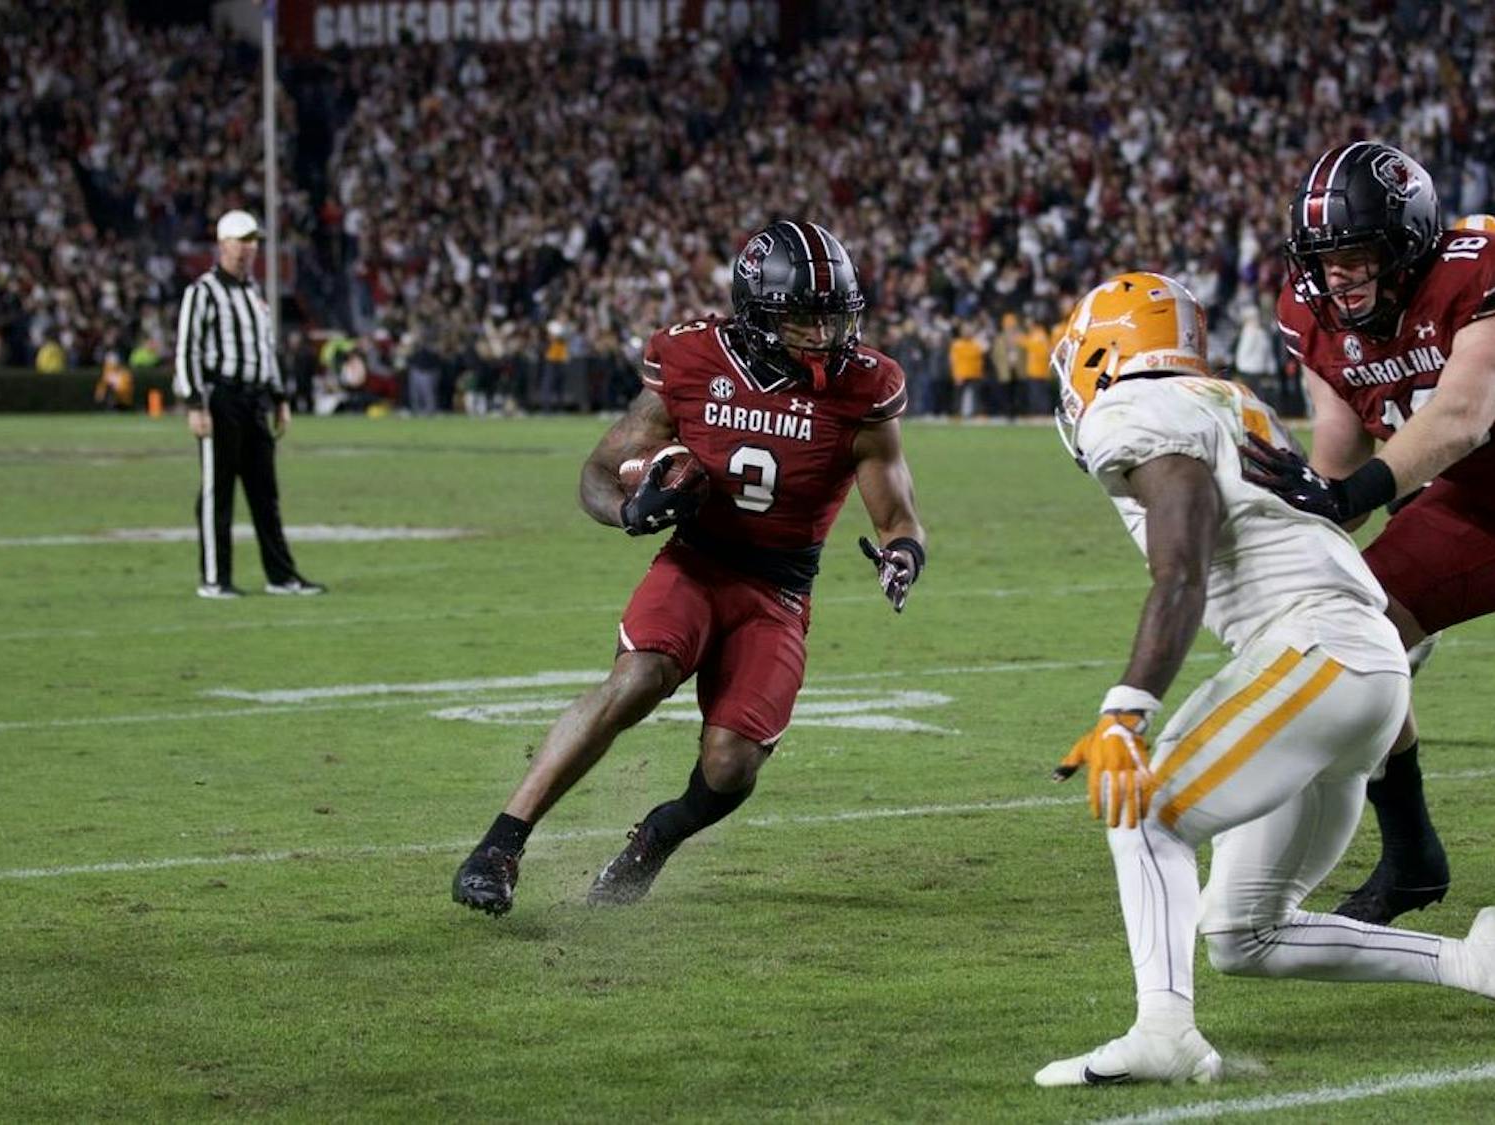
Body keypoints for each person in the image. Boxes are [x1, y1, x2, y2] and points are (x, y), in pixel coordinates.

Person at [1035, 271, 1495, 1089]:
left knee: (1141, 803)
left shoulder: (1133, 408)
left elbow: (1181, 572)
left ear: (1102, 351)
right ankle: (1472, 959)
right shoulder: (1223, 400)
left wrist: (1126, 709)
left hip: (1319, 652)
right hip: (1367, 672)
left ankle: (1163, 1030)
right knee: (1243, 930)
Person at [453, 219, 927, 916]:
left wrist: (903, 555)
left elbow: (897, 514)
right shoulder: (691, 358)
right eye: (804, 319)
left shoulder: (865, 387)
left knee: (732, 766)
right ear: (758, 314)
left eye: (834, 317)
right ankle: (499, 844)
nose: (825, 335)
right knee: (636, 678)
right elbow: (597, 470)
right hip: (696, 564)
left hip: (779, 588)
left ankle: (658, 835)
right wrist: (626, 511)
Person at [1242, 143, 1495, 924]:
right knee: (1361, 624)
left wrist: (1352, 491)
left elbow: (1464, 414)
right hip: (1474, 505)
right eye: (1325, 258)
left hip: (1464, 476)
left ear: (1410, 243)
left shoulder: (1475, 264)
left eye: (1356, 254)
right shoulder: (1310, 315)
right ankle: (1412, 852)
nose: (1337, 275)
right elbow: (1339, 448)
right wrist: (1286, 519)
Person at [174, 210, 325, 599]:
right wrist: (194, 402)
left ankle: (281, 575)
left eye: (252, 241)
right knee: (217, 491)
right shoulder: (203, 291)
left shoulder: (255, 297)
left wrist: (279, 398)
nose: (247, 249)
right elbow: (187, 349)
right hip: (220, 398)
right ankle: (214, 578)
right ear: (222, 244)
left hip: (254, 400)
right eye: (240, 241)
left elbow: (265, 352)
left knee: (264, 493)